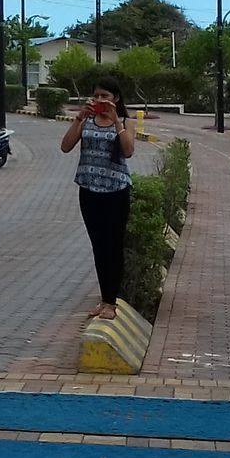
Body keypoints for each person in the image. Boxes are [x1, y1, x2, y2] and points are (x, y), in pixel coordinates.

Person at [61, 77, 136, 321]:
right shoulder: (86, 121)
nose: (100, 100)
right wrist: (79, 118)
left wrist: (116, 122)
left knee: (113, 246)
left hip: (116, 191)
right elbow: (65, 146)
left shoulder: (125, 122)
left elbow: (128, 151)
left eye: (105, 96)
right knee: (99, 246)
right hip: (89, 190)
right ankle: (104, 299)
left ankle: (111, 302)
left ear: (116, 98)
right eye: (96, 96)